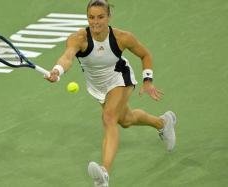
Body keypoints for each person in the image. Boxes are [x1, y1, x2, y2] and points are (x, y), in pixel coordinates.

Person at [46, 0, 177, 186]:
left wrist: (148, 80)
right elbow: (67, 57)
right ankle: (163, 122)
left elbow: (145, 55)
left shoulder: (122, 37)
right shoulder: (78, 39)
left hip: (120, 78)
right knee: (125, 120)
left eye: (100, 17)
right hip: (98, 87)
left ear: (109, 17)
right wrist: (58, 70)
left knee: (109, 118)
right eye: (91, 17)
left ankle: (104, 174)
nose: (96, 22)